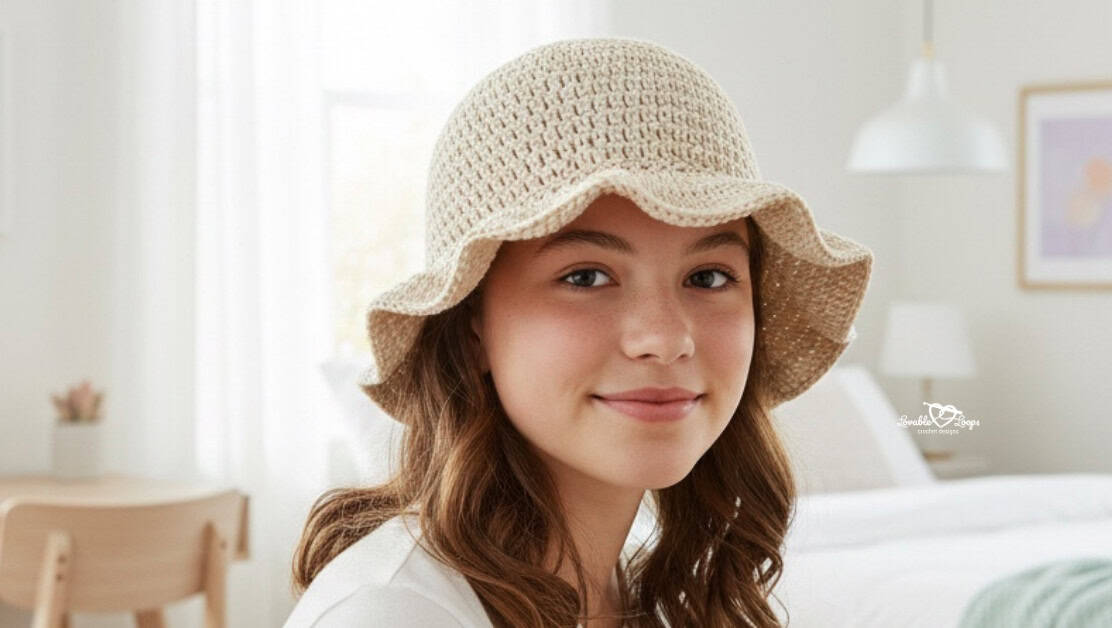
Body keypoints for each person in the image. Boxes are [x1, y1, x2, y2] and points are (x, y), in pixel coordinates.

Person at [284, 36, 873, 627]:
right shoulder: (394, 613)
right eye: (587, 276)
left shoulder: (627, 592)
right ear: (471, 330)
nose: (666, 339)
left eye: (709, 276)